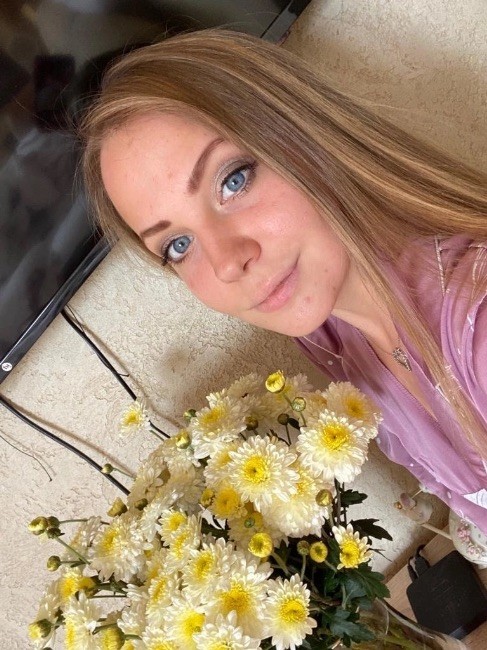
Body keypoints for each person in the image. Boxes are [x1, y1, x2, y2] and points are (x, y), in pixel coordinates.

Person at [81, 29, 487, 533]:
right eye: (178, 245)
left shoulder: (477, 329)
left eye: (233, 180)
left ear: (304, 135)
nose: (228, 263)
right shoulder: (330, 333)